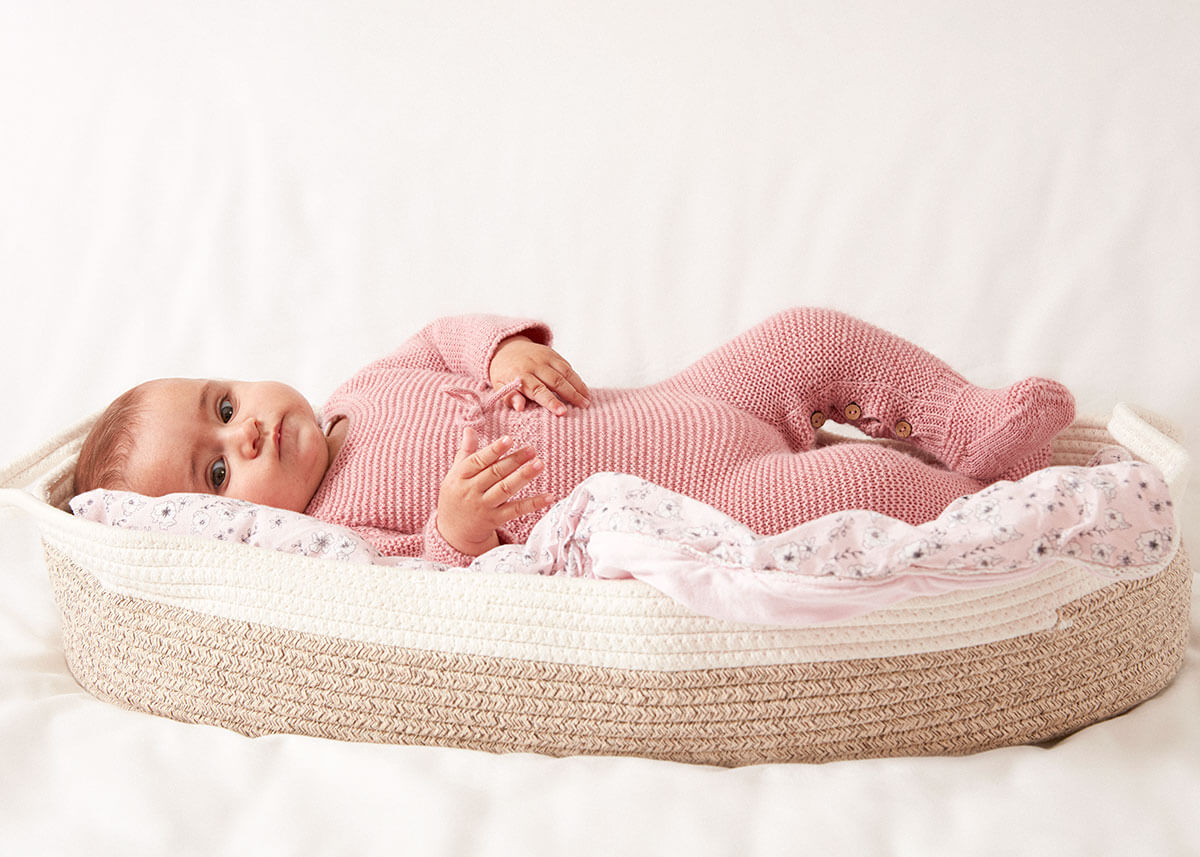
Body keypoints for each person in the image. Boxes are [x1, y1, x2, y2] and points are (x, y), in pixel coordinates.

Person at [73, 308, 1076, 566]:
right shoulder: (336, 534)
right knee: (845, 484)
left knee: (804, 335)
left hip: (683, 400)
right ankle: (988, 508)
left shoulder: (359, 387)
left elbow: (442, 337)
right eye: (217, 470)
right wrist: (454, 530)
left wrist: (503, 348)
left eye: (222, 406)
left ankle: (967, 421)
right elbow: (415, 582)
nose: (248, 432)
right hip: (707, 499)